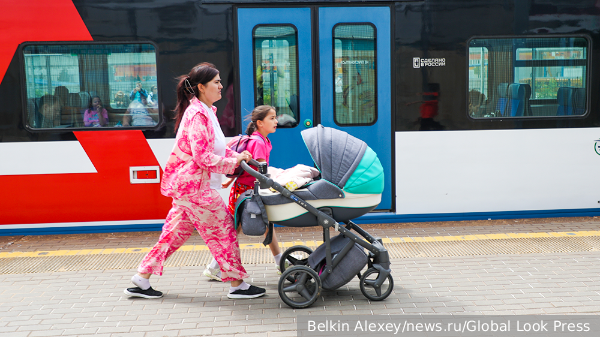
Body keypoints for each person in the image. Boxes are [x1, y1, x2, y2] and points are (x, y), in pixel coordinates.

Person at [124, 62, 265, 300]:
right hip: (196, 188)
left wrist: (237, 156)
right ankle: (237, 284)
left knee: (173, 234)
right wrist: (233, 163)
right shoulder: (199, 115)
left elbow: (216, 149)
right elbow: (202, 157)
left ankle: (141, 278)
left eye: (220, 81)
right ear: (201, 87)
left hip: (189, 188)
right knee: (224, 232)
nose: (221, 86)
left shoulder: (206, 111)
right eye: (216, 82)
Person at [204, 105, 288, 281]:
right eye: (271, 118)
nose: (276, 121)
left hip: (251, 190)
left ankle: (280, 261)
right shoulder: (258, 141)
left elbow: (251, 168)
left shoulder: (263, 140)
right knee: (235, 229)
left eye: (275, 117)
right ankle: (213, 267)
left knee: (266, 225)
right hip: (247, 192)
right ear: (260, 123)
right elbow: (260, 171)